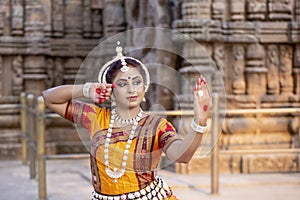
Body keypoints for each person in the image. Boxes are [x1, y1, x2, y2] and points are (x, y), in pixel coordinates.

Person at [42, 43, 211, 200]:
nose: (132, 90)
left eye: (136, 82)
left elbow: (182, 155)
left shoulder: (156, 125)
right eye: (122, 84)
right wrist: (86, 89)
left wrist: (200, 121)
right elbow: (50, 98)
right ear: (110, 90)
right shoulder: (96, 117)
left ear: (144, 87)